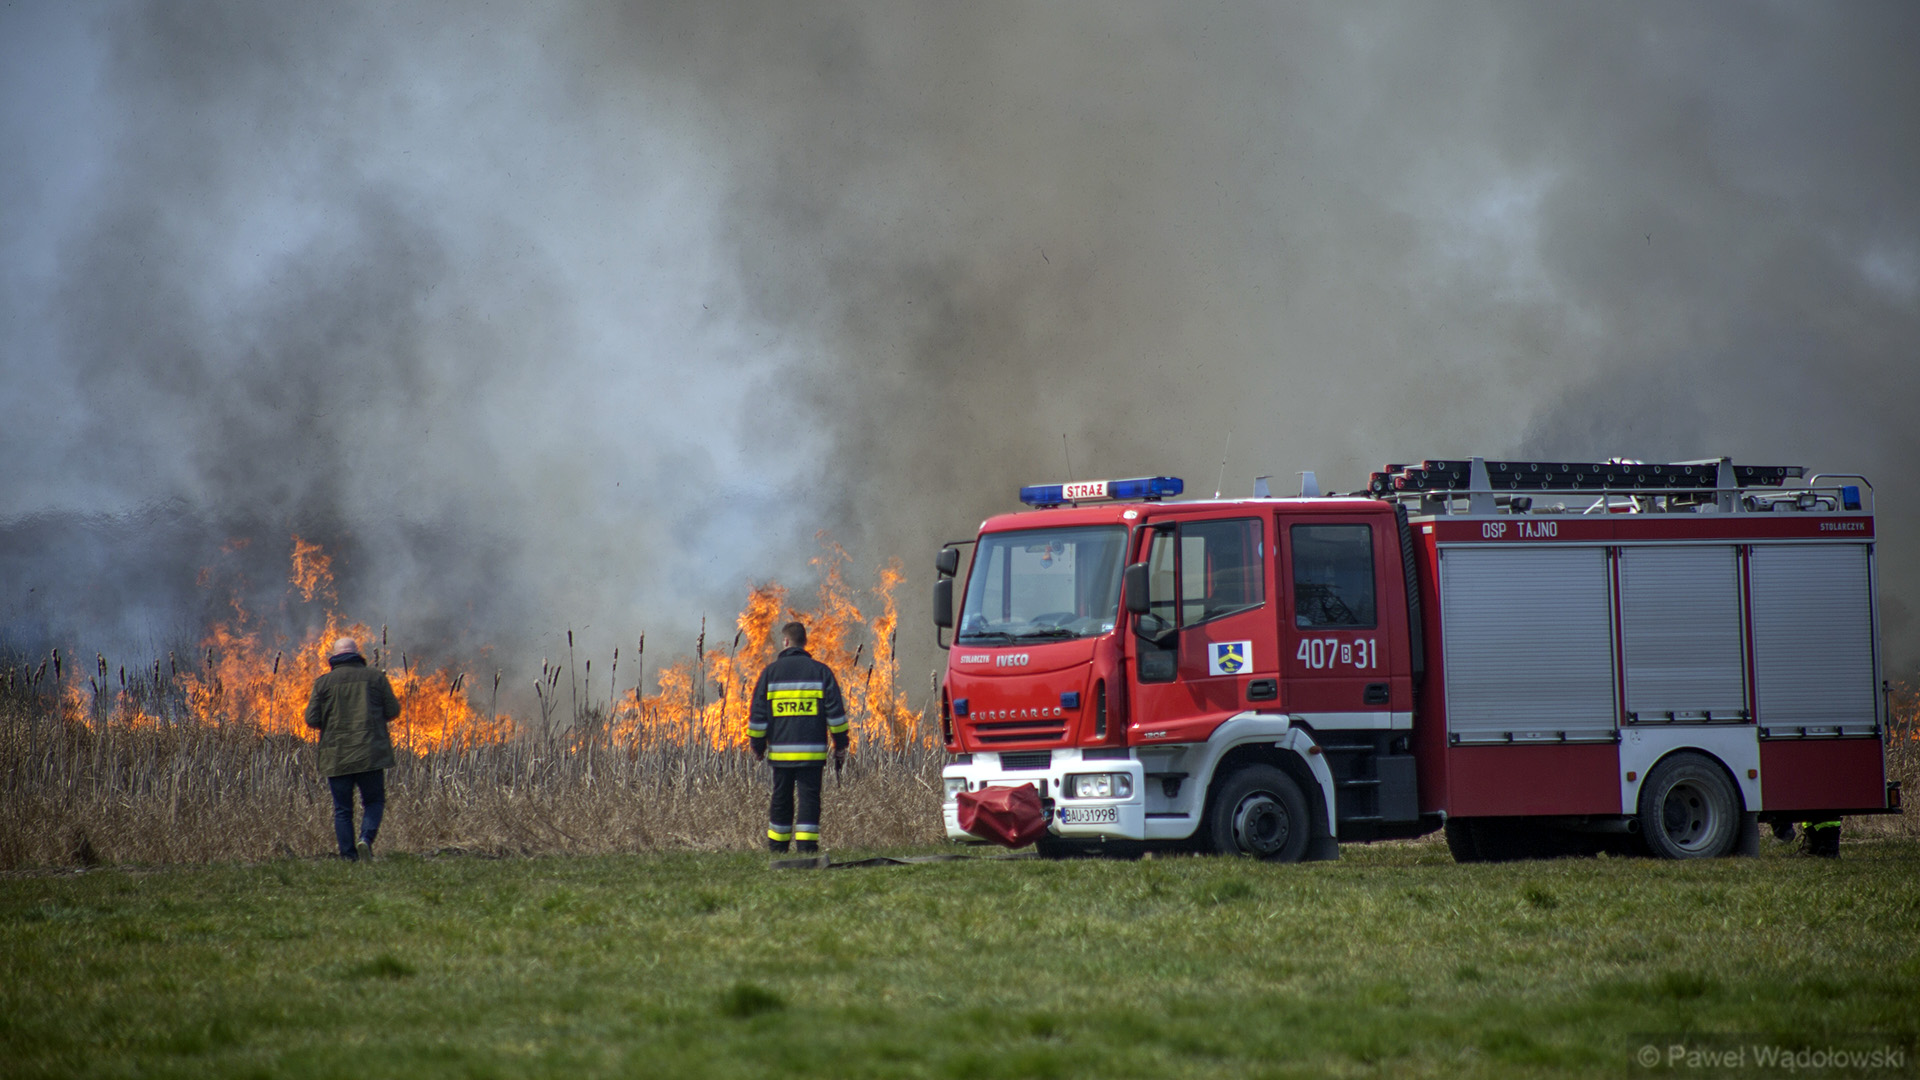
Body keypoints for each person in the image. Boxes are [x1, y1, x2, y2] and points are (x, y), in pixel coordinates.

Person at [747, 622, 849, 854]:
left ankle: (777, 848)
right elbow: (836, 715)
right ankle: (806, 848)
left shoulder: (770, 673)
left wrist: (757, 745)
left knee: (781, 798)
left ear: (785, 641)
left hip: (781, 752)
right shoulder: (821, 672)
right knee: (809, 799)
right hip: (812, 752)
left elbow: (758, 716)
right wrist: (841, 743)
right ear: (805, 642)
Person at [303, 636, 401, 861]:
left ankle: (348, 857)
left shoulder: (323, 683)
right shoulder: (375, 677)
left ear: (335, 657)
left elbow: (311, 719)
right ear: (357, 653)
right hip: (370, 754)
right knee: (374, 801)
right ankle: (365, 839)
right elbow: (393, 710)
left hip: (337, 756)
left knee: (343, 810)